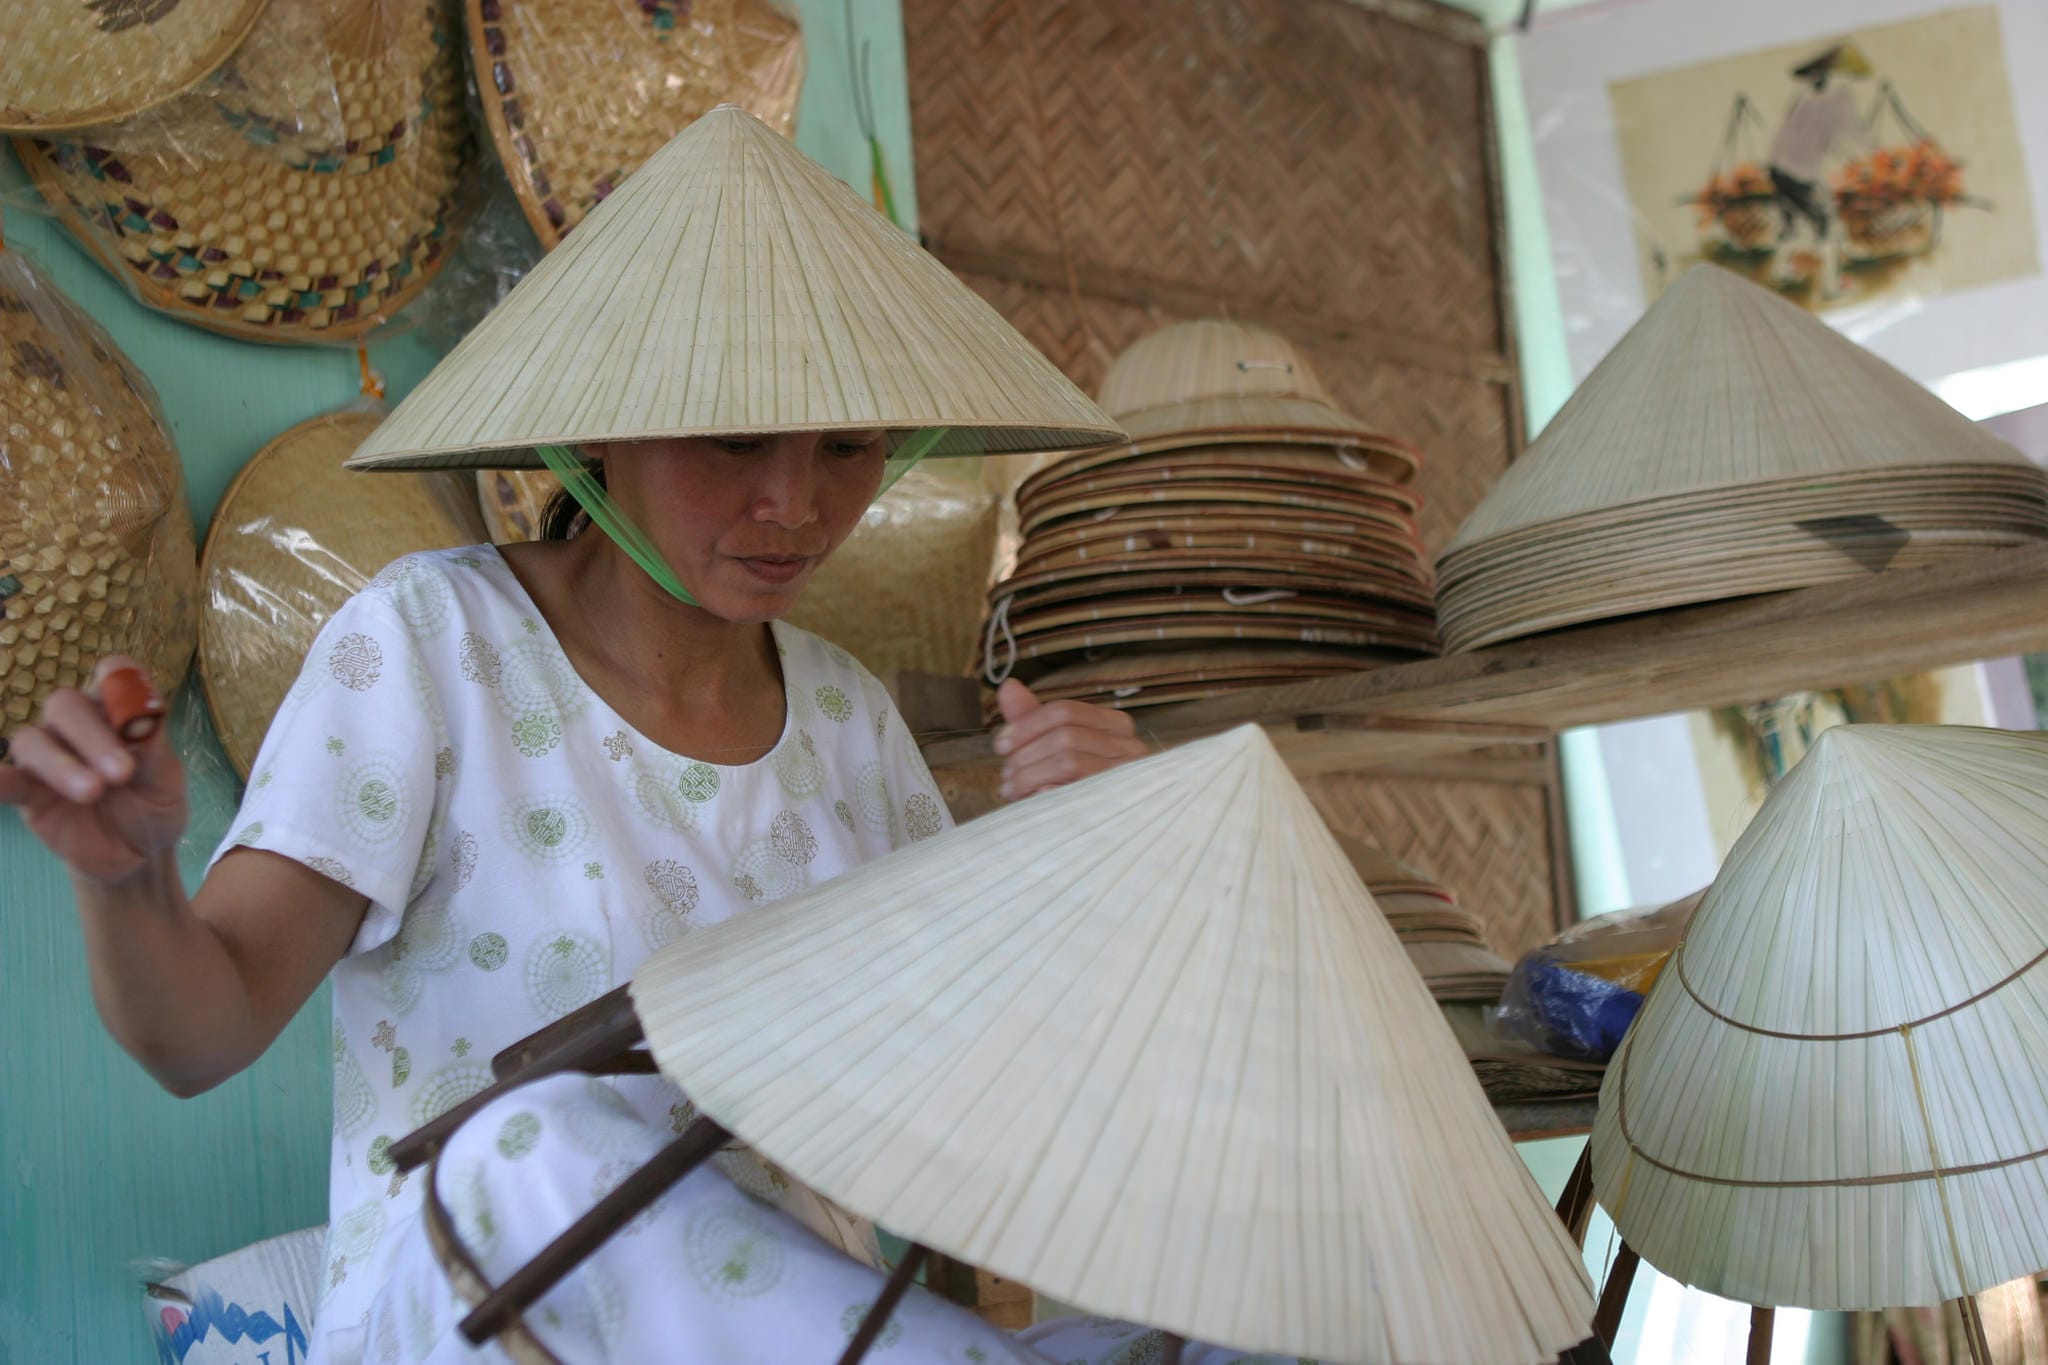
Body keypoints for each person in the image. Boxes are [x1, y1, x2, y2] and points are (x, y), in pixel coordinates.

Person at [0, 107, 1258, 1364]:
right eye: (732, 436)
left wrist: (1113, 866)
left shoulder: (848, 722)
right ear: (597, 423)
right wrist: (127, 880)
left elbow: (981, 1124)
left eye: (846, 444)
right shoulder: (430, 644)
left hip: (799, 1340)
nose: (796, 502)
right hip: (485, 1326)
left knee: (1230, 1334)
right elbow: (196, 1035)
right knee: (531, 1143)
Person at [1766, 42, 1873, 296]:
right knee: (1827, 223)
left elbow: (1817, 137)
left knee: (1789, 219)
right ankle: (1830, 284)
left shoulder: (1804, 99)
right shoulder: (1837, 98)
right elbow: (1850, 134)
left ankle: (1782, 271)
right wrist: (1867, 154)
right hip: (1799, 170)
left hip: (1778, 167)